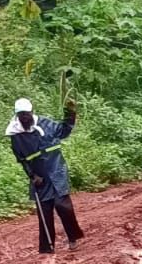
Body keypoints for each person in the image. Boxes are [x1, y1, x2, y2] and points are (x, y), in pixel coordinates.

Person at [6, 96, 84, 255]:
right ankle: (47, 248)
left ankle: (72, 237)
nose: (24, 117)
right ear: (17, 116)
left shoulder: (45, 124)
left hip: (56, 169)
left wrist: (70, 113)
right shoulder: (15, 135)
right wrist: (32, 176)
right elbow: (22, 159)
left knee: (63, 205)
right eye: (21, 115)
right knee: (45, 211)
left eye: (27, 114)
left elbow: (63, 131)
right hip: (39, 176)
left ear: (31, 112)